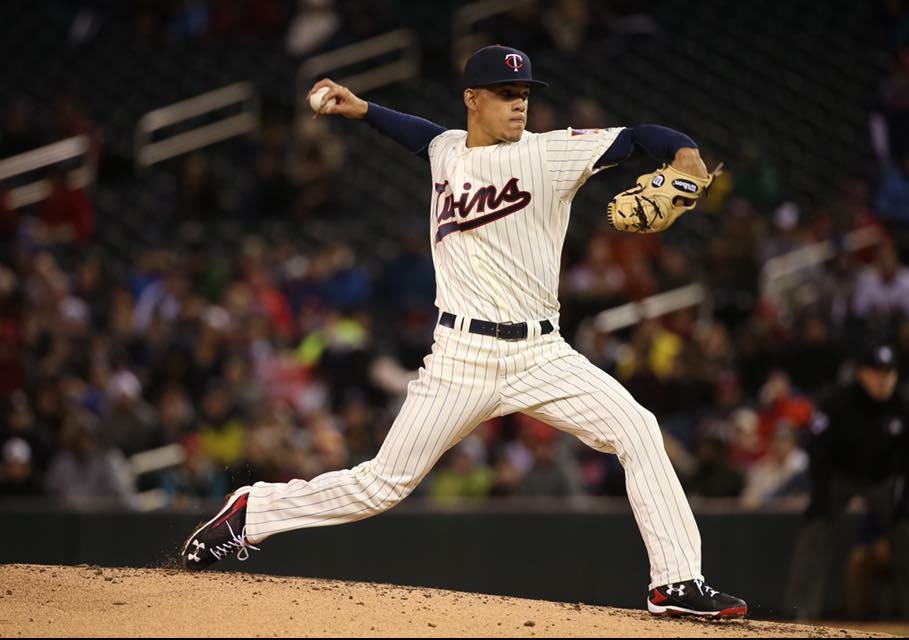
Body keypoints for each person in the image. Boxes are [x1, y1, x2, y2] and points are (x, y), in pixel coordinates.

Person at [180, 44, 747, 619]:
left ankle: (675, 583)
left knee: (639, 430)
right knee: (381, 485)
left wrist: (688, 158)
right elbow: (423, 136)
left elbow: (643, 134)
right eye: (506, 94)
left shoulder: (551, 154)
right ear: (472, 100)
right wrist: (363, 110)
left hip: (542, 353)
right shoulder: (448, 149)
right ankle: (255, 513)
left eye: (524, 93)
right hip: (461, 356)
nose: (519, 104)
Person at [784, 340, 909, 619]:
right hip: (839, 477)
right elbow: (815, 446)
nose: (884, 378)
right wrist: (821, 491)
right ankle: (801, 612)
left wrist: (902, 495)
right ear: (861, 373)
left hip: (883, 479)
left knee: (904, 532)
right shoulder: (838, 401)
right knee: (816, 530)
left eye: (889, 371)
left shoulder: (901, 404)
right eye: (877, 371)